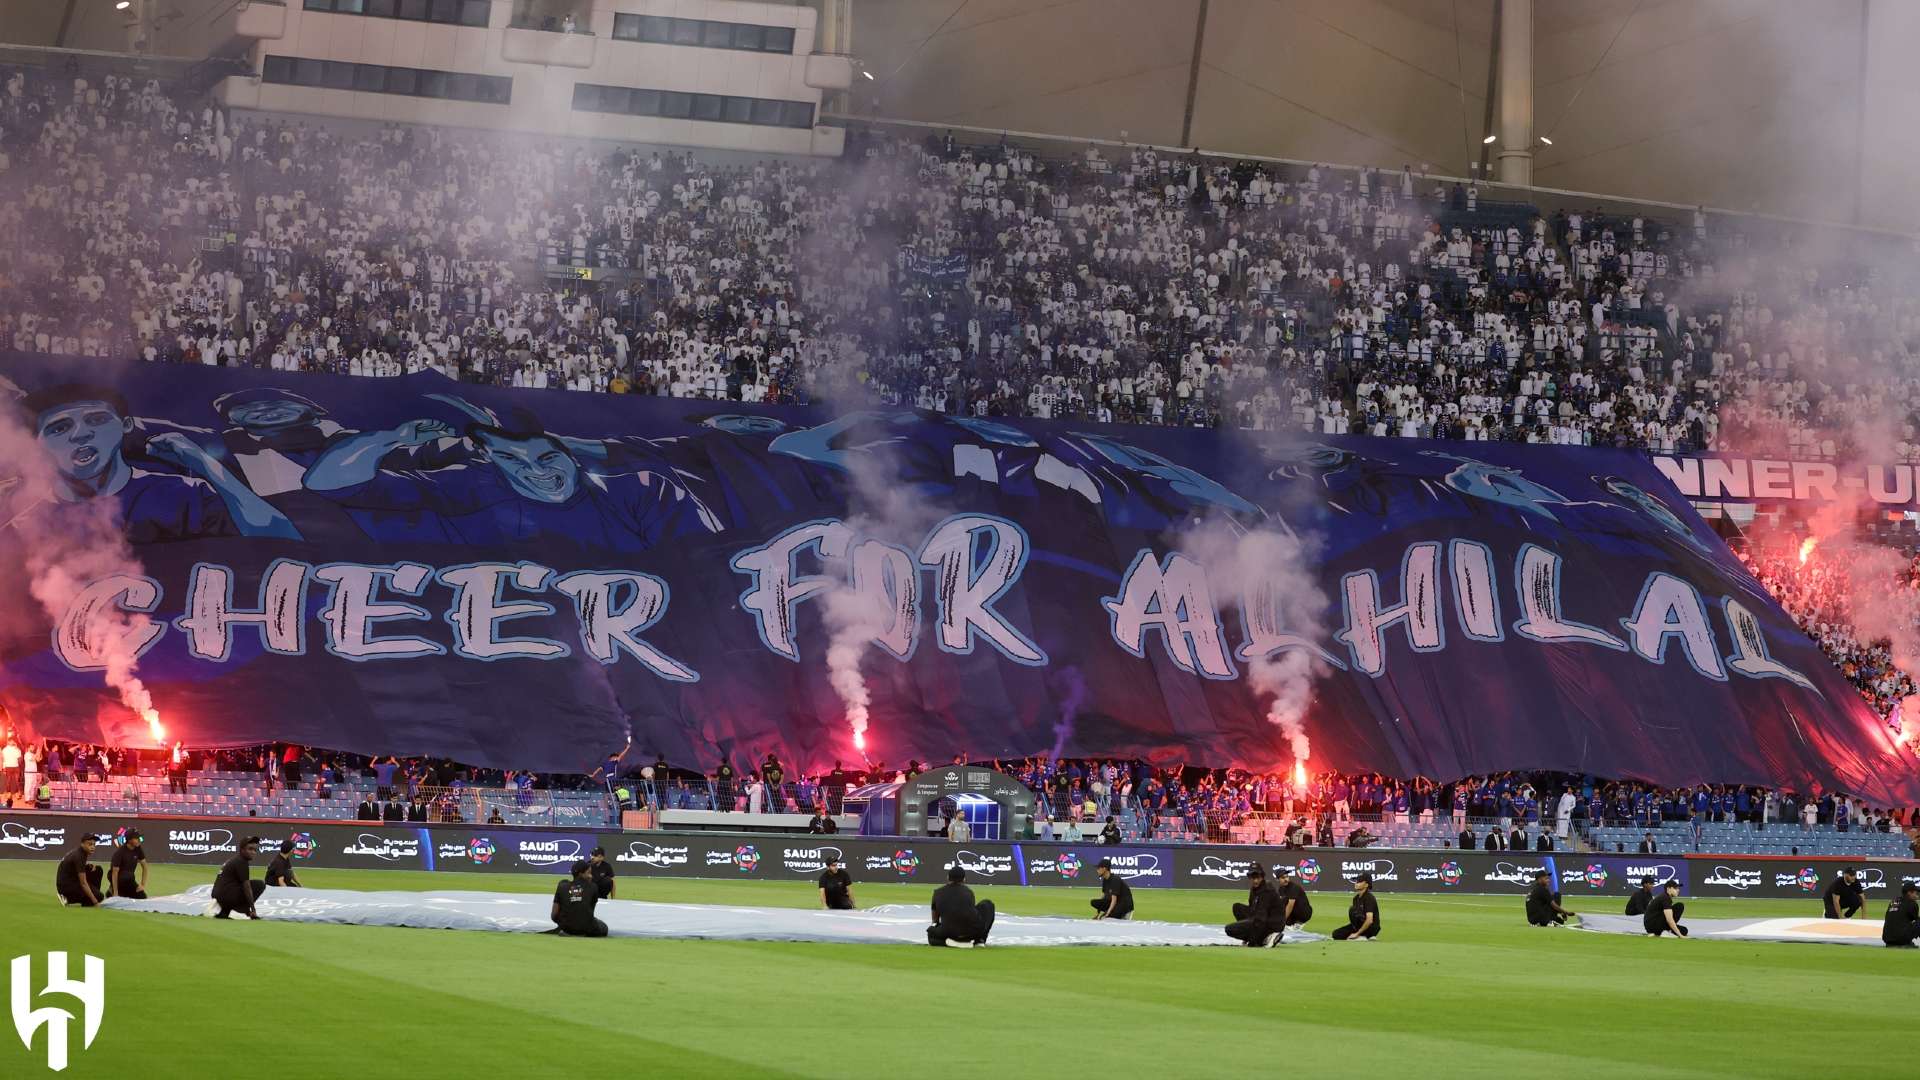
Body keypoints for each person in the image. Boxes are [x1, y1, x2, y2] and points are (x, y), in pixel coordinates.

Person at [927, 867, 995, 947]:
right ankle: (979, 941)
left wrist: (936, 929)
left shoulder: (937, 893)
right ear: (964, 879)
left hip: (948, 933)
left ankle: (946, 942)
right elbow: (970, 913)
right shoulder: (968, 892)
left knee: (931, 933)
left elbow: (935, 920)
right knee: (988, 904)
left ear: (948, 877)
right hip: (970, 934)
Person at [1225, 864, 1282, 947]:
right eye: (1253, 878)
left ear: (1262, 877)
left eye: (1257, 878)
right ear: (1249, 877)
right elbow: (1253, 908)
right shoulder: (1255, 888)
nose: (1255, 881)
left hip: (1272, 923)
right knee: (1237, 907)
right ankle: (1258, 936)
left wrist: (1253, 941)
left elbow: (1261, 918)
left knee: (1229, 929)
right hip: (1262, 917)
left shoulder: (1267, 890)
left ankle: (1264, 937)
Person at [212, 837, 267, 919]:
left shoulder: (235, 859)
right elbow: (247, 887)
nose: (253, 852)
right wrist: (252, 909)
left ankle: (224, 912)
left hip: (218, 895)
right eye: (250, 849)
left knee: (237, 886)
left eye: (255, 850)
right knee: (259, 884)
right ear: (242, 850)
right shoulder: (241, 862)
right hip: (226, 897)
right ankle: (243, 912)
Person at [551, 860, 607, 937]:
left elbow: (554, 916)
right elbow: (590, 912)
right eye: (589, 873)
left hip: (566, 928)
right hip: (586, 928)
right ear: (581, 874)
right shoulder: (593, 887)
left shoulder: (562, 887)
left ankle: (569, 928)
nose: (591, 876)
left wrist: (564, 924)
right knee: (603, 927)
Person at [55, 834, 104, 907]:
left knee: (98, 870)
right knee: (100, 896)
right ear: (82, 844)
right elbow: (83, 883)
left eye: (94, 844)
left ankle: (89, 898)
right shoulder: (79, 856)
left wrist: (88, 866)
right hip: (66, 887)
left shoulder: (80, 852)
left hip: (70, 881)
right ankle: (68, 898)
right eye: (90, 844)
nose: (93, 847)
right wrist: (96, 902)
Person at [1331, 873, 1380, 940]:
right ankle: (1361, 936)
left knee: (1352, 910)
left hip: (1371, 928)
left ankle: (1364, 936)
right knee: (1336, 934)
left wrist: (1357, 934)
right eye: (1356, 881)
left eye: (1359, 881)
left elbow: (1369, 920)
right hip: (1359, 925)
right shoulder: (1356, 898)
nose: (1356, 883)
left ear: (1366, 885)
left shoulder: (1369, 898)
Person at [110, 831, 149, 899]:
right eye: (136, 838)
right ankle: (112, 890)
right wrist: (116, 892)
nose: (139, 840)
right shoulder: (120, 852)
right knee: (121, 896)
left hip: (130, 879)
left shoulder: (138, 849)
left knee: (142, 896)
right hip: (119, 879)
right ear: (129, 839)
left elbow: (145, 866)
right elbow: (114, 873)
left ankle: (118, 892)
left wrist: (142, 884)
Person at [1273, 865, 1313, 929]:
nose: (1286, 879)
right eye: (1283, 878)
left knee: (1287, 902)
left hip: (1304, 912)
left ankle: (1299, 923)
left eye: (1287, 877)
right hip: (1295, 912)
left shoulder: (1293, 887)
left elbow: (1290, 905)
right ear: (1278, 879)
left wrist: (1282, 921)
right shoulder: (1280, 889)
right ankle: (1291, 924)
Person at [1882, 883, 1920, 948]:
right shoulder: (1912, 903)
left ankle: (1896, 942)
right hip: (1902, 939)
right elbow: (1915, 920)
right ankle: (1906, 942)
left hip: (1887, 939)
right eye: (1915, 893)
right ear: (1909, 893)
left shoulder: (1893, 901)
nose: (1917, 895)